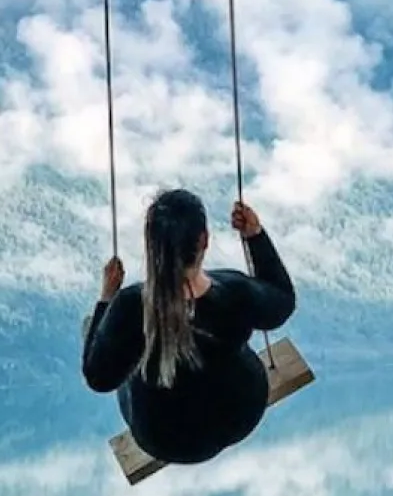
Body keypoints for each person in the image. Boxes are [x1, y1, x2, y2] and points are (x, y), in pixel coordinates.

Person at [81, 188, 296, 465]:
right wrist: (255, 236)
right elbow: (282, 302)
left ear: (152, 244)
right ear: (204, 240)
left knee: (99, 334)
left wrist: (105, 300)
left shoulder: (131, 306)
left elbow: (98, 379)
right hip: (239, 415)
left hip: (165, 439)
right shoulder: (234, 290)